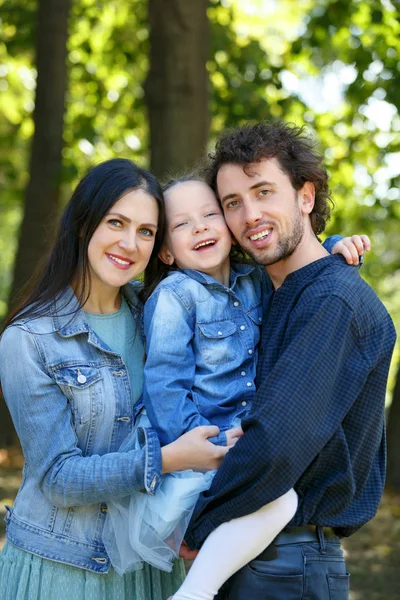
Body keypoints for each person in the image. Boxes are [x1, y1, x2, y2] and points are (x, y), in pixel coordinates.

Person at [102, 175, 369, 599]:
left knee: (276, 500)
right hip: (201, 448)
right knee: (281, 502)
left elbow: (299, 263)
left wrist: (333, 242)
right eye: (183, 224)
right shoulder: (175, 296)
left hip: (250, 441)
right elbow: (165, 388)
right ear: (167, 251)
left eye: (210, 214)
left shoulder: (256, 280)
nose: (202, 227)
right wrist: (201, 447)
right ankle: (194, 593)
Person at [183, 121, 397, 600]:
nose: (249, 214)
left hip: (285, 567)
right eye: (232, 203)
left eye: (263, 192)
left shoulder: (334, 301)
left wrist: (195, 527)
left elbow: (275, 443)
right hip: (248, 557)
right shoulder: (265, 295)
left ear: (305, 195)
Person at [0, 159, 230, 600]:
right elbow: (59, 478)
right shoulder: (28, 340)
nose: (129, 243)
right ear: (85, 224)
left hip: (150, 565)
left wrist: (327, 252)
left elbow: (245, 302)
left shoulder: (162, 314)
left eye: (146, 231)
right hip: (62, 569)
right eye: (116, 223)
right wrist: (166, 459)